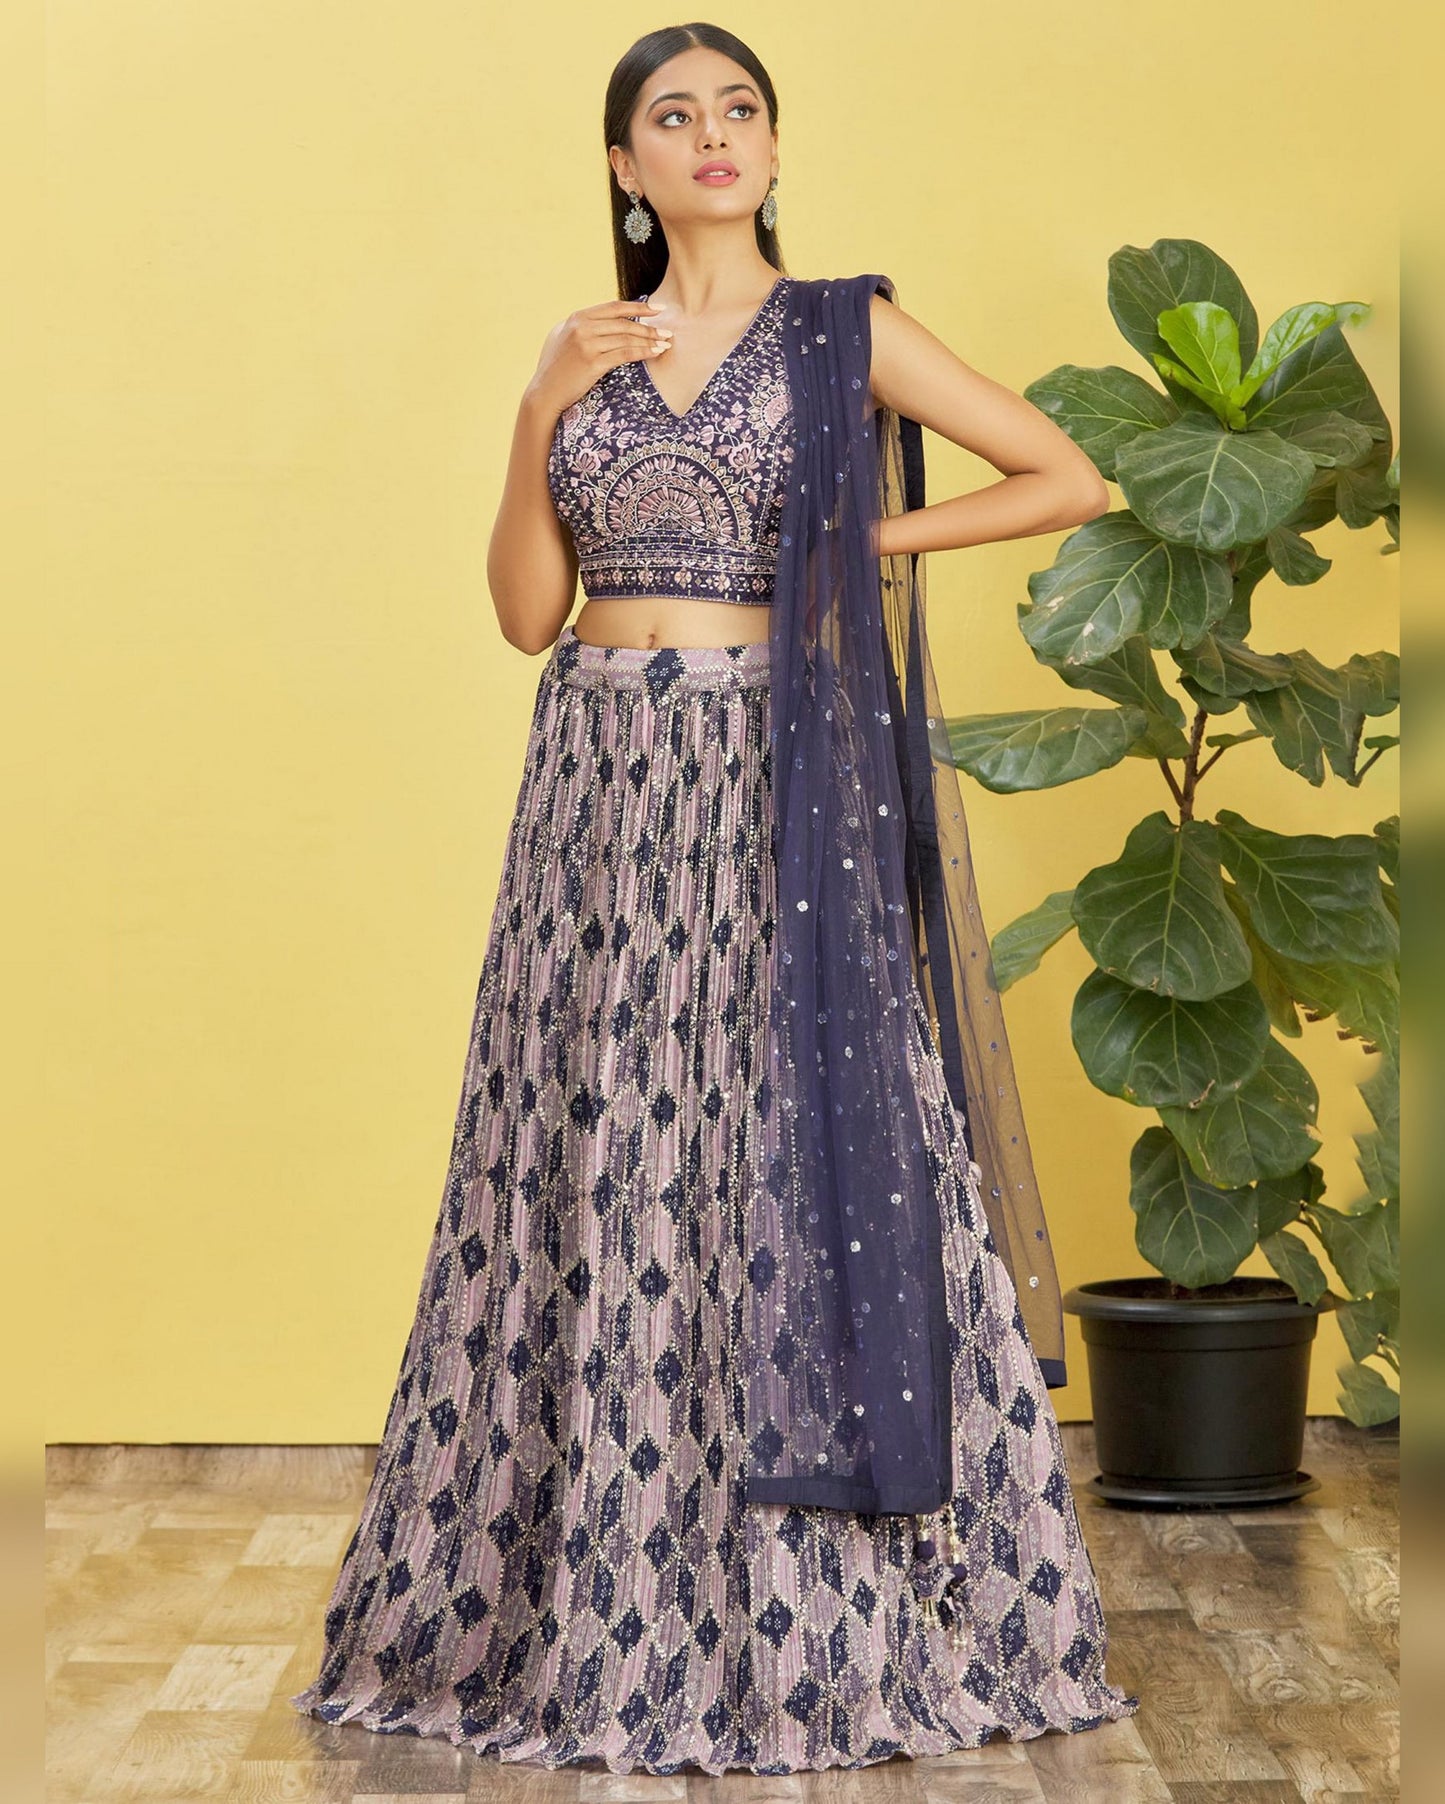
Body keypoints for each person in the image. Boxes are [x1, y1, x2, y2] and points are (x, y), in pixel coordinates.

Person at [289, 21, 1140, 1776]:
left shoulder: (842, 331)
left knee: (772, 1140)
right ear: (623, 164)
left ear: (769, 143)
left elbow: (1065, 475)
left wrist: (848, 542)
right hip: (594, 796)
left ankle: (821, 1604)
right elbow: (528, 612)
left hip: (768, 790)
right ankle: (582, 1598)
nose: (708, 137)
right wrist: (537, 399)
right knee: (592, 1152)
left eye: (736, 110)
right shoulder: (582, 359)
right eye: (669, 118)